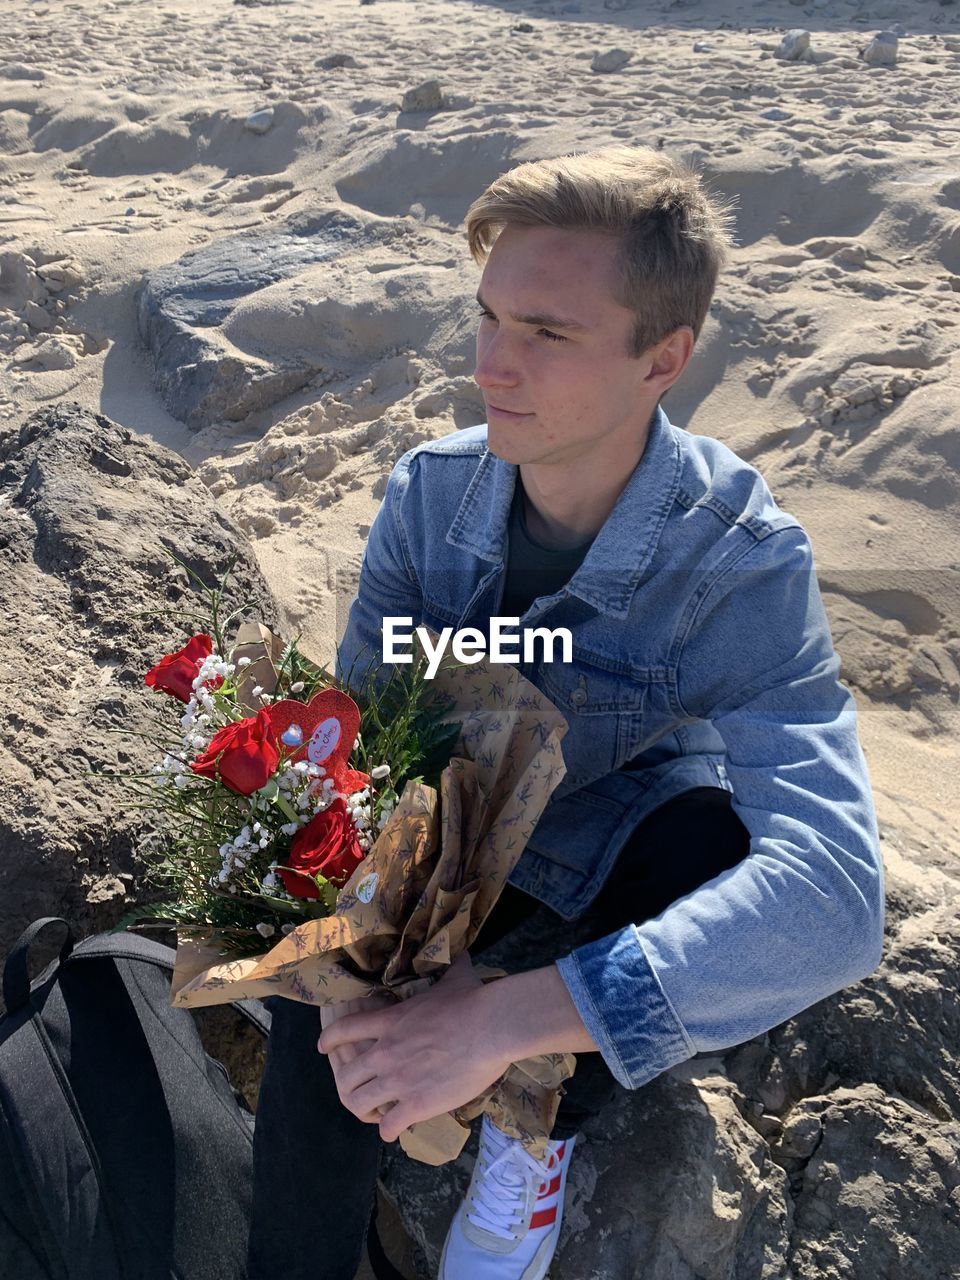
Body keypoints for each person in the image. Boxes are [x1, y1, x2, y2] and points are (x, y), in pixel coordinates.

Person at [247, 146, 885, 1280]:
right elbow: (364, 755)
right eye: (488, 318)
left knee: (714, 830)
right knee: (329, 929)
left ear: (665, 357)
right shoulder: (428, 498)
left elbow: (834, 898)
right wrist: (359, 946)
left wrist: (501, 1020)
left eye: (547, 333)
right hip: (463, 842)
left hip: (633, 839)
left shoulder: (739, 561)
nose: (493, 365)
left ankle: (536, 1128)